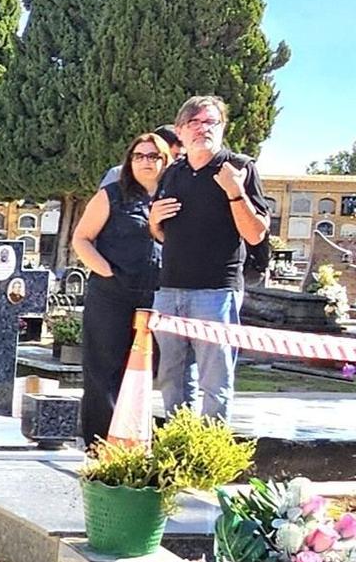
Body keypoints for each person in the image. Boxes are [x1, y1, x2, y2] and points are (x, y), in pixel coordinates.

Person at [148, 94, 271, 421]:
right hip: (169, 289)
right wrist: (153, 222)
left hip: (217, 291)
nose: (203, 128)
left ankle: (211, 446)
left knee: (215, 382)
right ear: (180, 131)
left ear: (223, 127)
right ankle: (179, 441)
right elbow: (164, 235)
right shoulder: (172, 173)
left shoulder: (239, 168)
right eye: (194, 122)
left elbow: (256, 234)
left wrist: (235, 192)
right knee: (171, 378)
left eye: (211, 122)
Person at [72, 133, 166, 444]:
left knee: (146, 371)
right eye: (138, 156)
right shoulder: (112, 195)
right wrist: (106, 271)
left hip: (157, 296)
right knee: (104, 370)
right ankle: (99, 444)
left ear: (165, 161)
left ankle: (135, 441)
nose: (145, 162)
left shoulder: (173, 199)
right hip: (112, 294)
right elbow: (81, 239)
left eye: (153, 156)